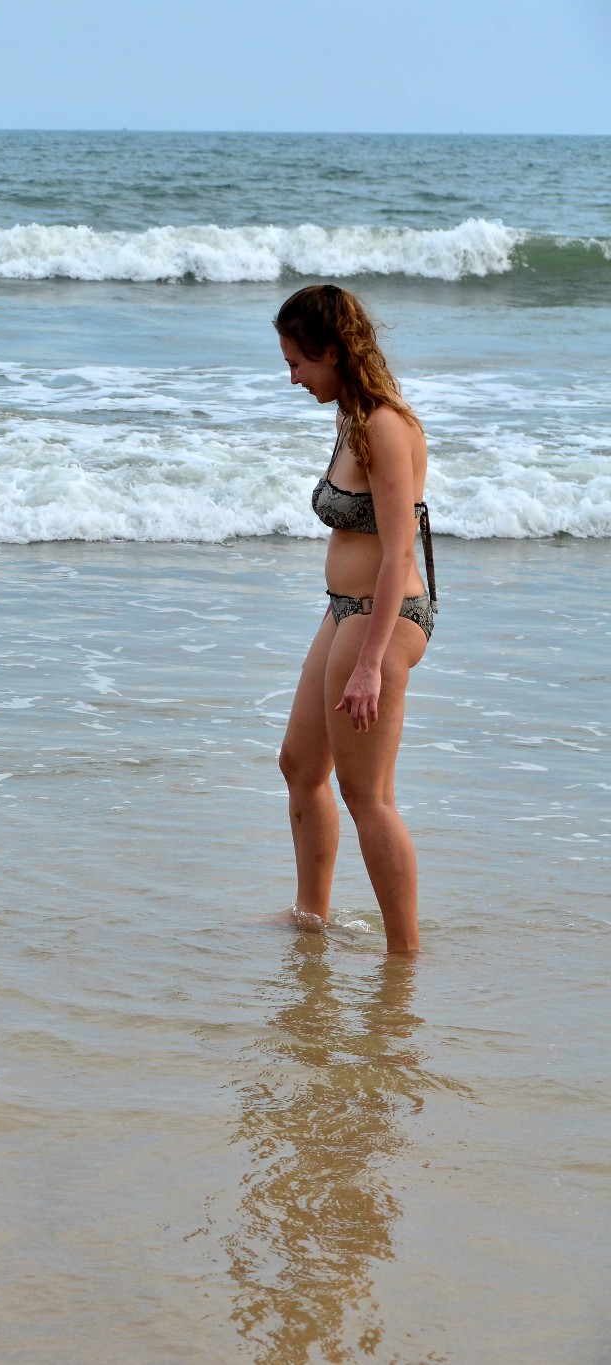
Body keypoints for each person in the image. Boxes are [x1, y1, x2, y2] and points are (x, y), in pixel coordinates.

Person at [274, 286, 435, 954]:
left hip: (383, 615)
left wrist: (370, 662)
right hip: (345, 611)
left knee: (366, 793)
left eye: (299, 363)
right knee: (299, 763)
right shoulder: (348, 417)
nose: (292, 377)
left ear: (334, 352)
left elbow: (398, 549)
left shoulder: (383, 426)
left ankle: (404, 955)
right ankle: (312, 917)